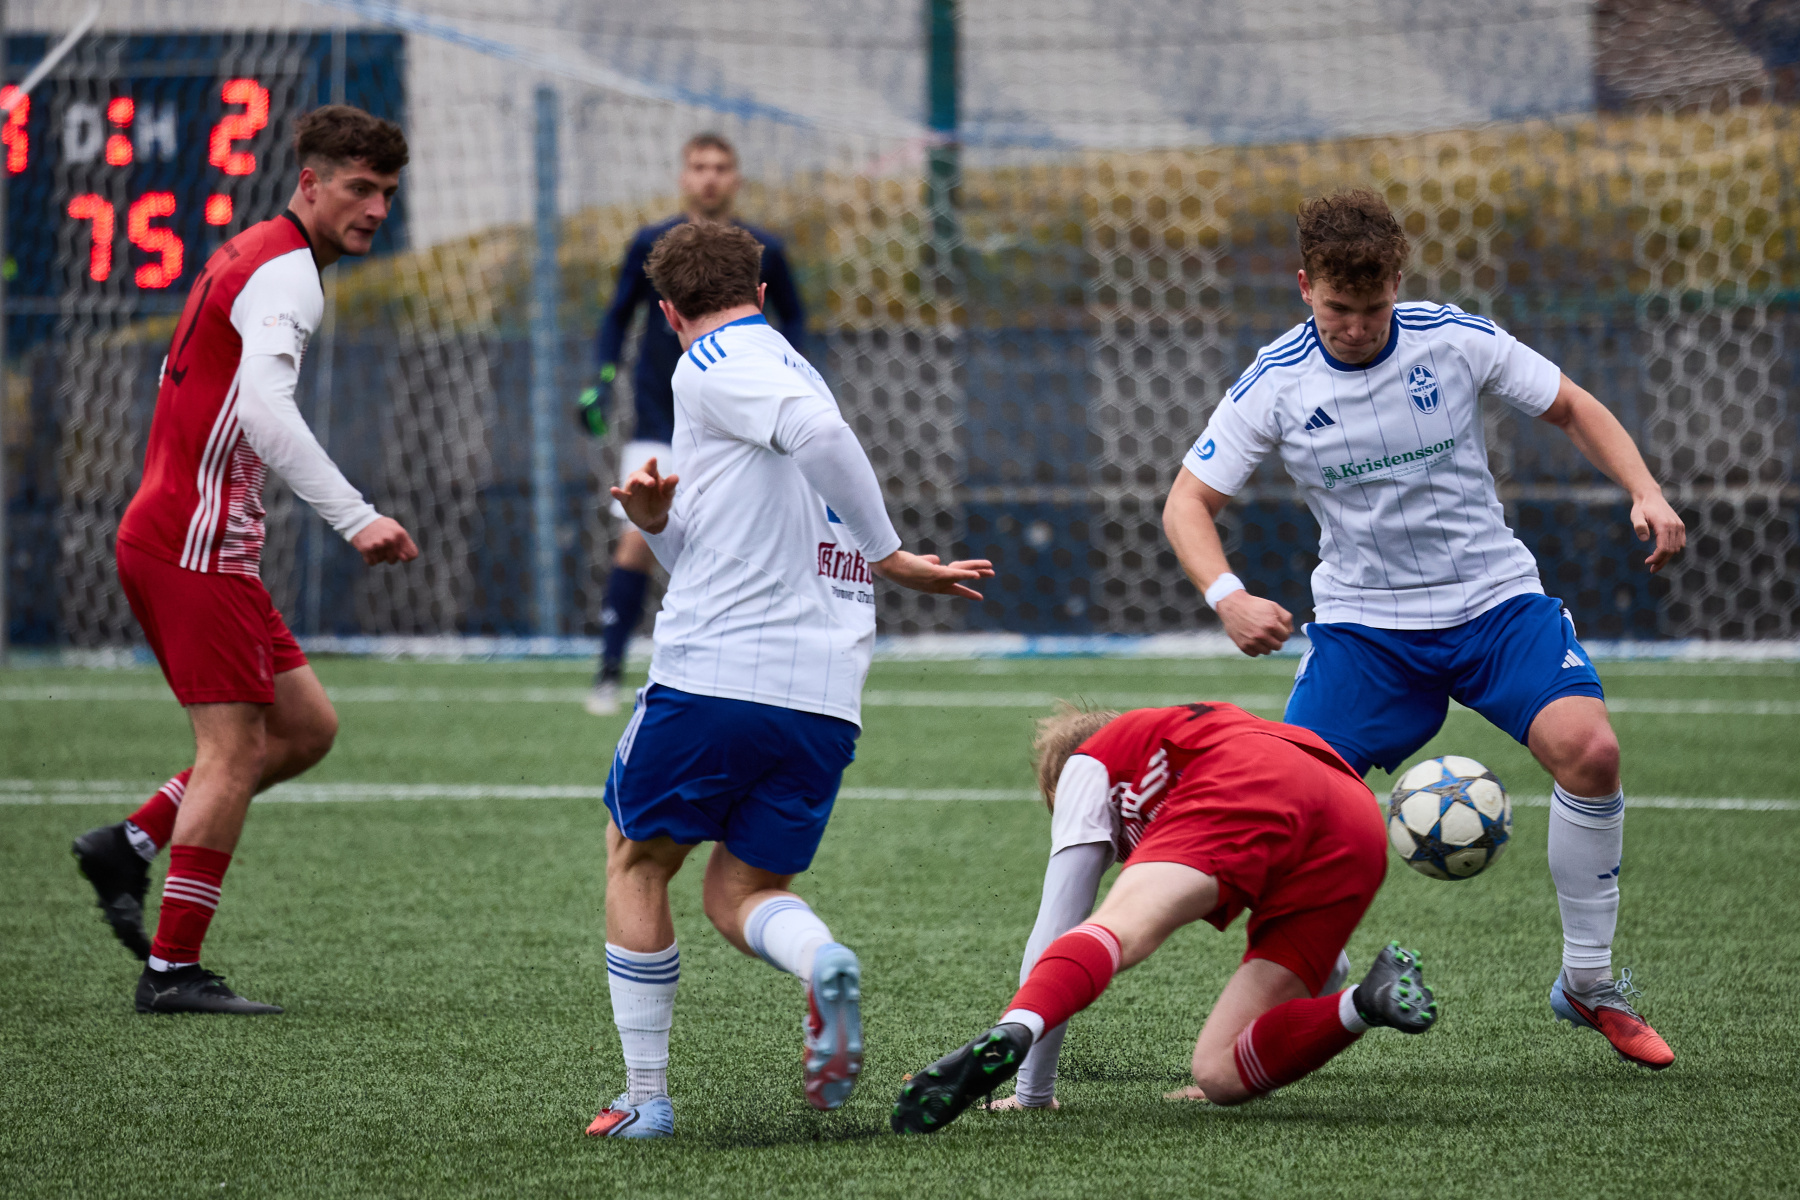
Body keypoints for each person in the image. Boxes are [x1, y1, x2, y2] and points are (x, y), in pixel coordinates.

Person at [1160, 189, 1683, 1070]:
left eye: (1372, 308)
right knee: (1291, 813)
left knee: (1591, 752)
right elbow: (1188, 502)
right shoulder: (1276, 382)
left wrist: (1647, 490)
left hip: (1493, 602)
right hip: (1367, 631)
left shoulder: (1455, 339)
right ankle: (1294, 1005)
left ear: (1396, 285)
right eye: (1337, 308)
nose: (1356, 327)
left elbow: (1570, 405)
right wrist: (1227, 595)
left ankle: (1588, 982)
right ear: (1304, 287)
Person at [587, 221, 991, 1138]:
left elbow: (820, 436)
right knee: (740, 891)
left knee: (636, 858)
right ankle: (820, 964)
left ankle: (644, 1098)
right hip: (823, 697)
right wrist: (656, 523)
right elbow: (721, 541)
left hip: (717, 675)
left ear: (667, 314)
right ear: (764, 293)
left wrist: (890, 554)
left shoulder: (710, 363)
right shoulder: (791, 366)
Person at [71, 106, 418, 1015]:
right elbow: (264, 407)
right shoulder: (289, 272)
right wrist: (356, 517)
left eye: (386, 193)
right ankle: (172, 972)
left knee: (305, 728)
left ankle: (128, 845)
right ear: (309, 183)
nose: (375, 209)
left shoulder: (257, 249)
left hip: (186, 539)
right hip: (194, 547)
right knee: (230, 752)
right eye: (358, 188)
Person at [891, 700, 1437, 1134]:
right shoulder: (1180, 750)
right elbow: (1329, 967)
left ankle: (1016, 1030)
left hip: (1247, 775)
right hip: (1356, 815)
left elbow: (1058, 927)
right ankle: (1370, 1001)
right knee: (1221, 1073)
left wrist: (1033, 1090)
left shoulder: (1090, 761)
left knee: (1119, 929)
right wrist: (1261, 1054)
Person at [575, 132, 807, 716]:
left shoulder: (764, 249)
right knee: (638, 536)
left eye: (721, 167)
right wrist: (601, 377)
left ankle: (754, 667)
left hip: (740, 428)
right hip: (661, 420)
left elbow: (796, 320)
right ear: (684, 177)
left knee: (746, 537)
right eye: (700, 166)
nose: (710, 177)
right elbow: (617, 315)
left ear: (736, 178)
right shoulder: (651, 244)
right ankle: (608, 672)